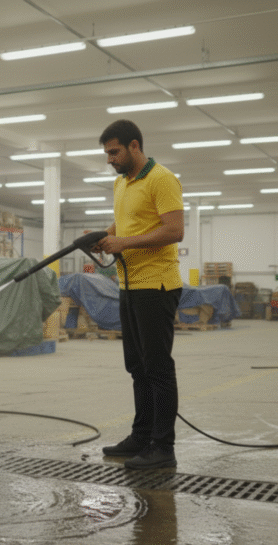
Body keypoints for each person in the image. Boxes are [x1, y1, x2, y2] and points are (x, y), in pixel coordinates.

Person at [92, 119, 184, 470]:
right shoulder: (121, 183)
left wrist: (124, 243)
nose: (109, 159)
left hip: (156, 284)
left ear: (134, 146)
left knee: (157, 368)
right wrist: (103, 236)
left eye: (114, 152)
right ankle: (141, 436)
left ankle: (163, 446)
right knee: (137, 366)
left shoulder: (162, 179)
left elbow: (174, 230)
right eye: (107, 153)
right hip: (128, 284)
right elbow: (125, 222)